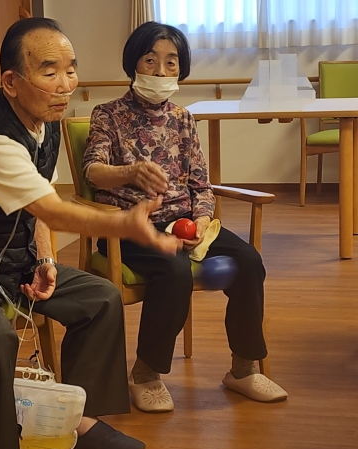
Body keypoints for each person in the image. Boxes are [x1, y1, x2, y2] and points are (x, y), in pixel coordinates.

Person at [0, 17, 180, 449]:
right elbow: (52, 209)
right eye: (49, 71)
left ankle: (77, 420)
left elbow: (37, 207)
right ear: (11, 82)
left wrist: (47, 259)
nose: (65, 85)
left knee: (100, 298)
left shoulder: (43, 124)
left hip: (10, 261)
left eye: (70, 70)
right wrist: (125, 224)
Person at [82, 21, 288, 414]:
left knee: (249, 261)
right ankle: (145, 374)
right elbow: (93, 170)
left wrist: (203, 221)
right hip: (131, 226)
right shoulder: (107, 114)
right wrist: (129, 172)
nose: (161, 71)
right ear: (133, 62)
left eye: (171, 62)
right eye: (150, 60)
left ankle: (243, 369)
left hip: (186, 222)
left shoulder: (182, 118)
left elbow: (200, 184)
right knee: (174, 271)